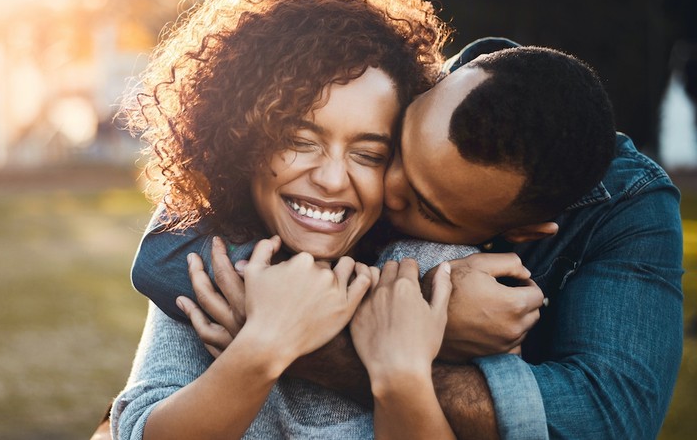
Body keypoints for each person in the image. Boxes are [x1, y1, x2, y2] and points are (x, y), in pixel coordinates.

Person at [137, 39, 684, 439]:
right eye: (394, 149)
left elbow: (607, 418)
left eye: (425, 205)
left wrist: (395, 342)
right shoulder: (376, 97)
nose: (381, 188)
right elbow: (163, 257)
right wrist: (418, 314)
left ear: (515, 233)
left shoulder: (607, 215)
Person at [110, 0, 467, 438]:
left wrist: (397, 376)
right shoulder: (210, 253)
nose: (332, 178)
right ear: (240, 139)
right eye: (299, 141)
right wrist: (266, 344)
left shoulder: (435, 269)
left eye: (368, 154)